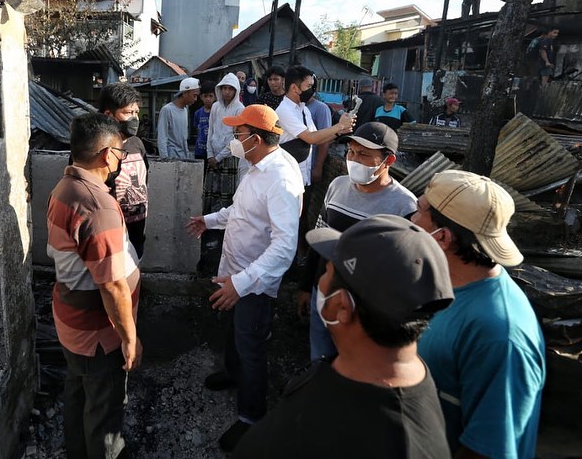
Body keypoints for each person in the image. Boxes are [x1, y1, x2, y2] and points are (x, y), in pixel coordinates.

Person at [233, 215, 454, 459]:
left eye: (327, 272)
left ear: (343, 306)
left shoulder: (369, 440)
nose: (320, 282)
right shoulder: (406, 382)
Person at [185, 105, 304, 453]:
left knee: (251, 346)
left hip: (253, 281)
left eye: (238, 133)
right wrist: (210, 220)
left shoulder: (280, 178)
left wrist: (241, 283)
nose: (234, 138)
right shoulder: (256, 166)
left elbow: (284, 247)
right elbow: (242, 212)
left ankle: (251, 418)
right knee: (234, 331)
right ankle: (233, 373)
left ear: (256, 138)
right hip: (236, 272)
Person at [411, 170, 546, 458]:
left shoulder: (501, 336)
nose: (412, 219)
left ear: (442, 237)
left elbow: (487, 449)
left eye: (419, 212)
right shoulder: (440, 281)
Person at [47, 113, 143, 459]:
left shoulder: (65, 187)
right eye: (120, 153)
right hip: (99, 333)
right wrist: (129, 338)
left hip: (74, 324)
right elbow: (113, 285)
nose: (120, 160)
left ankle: (77, 451)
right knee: (105, 411)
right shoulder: (97, 206)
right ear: (106, 155)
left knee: (79, 391)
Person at [298, 122, 417, 361]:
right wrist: (306, 286)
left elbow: (400, 269)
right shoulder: (337, 186)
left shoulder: (404, 205)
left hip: (363, 309)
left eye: (363, 154)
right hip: (323, 293)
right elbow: (320, 235)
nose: (353, 159)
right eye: (350, 151)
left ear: (388, 161)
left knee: (353, 365)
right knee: (319, 359)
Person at [275, 65, 355, 187]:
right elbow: (310, 138)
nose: (312, 90)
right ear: (294, 88)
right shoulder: (284, 110)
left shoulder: (303, 109)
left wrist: (339, 132)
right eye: (308, 86)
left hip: (302, 175)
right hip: (287, 176)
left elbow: (317, 139)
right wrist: (339, 126)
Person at [98, 83, 149, 259]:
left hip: (137, 232)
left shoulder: (137, 144)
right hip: (108, 235)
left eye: (136, 113)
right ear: (109, 115)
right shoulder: (94, 148)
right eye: (128, 113)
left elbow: (144, 180)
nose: (135, 118)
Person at [204, 73, 246, 213]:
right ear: (220, 89)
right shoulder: (215, 107)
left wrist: (218, 157)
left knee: (226, 194)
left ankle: (225, 223)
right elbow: (211, 130)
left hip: (229, 157)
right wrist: (210, 155)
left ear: (236, 90)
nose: (227, 92)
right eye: (224, 88)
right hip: (213, 157)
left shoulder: (240, 108)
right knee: (211, 193)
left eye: (230, 89)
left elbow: (236, 138)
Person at [157, 77, 200, 159]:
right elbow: (162, 136)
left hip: (183, 156)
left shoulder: (185, 110)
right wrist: (164, 158)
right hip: (171, 156)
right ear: (185, 93)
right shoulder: (167, 110)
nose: (195, 99)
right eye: (194, 95)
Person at [193, 82, 216, 160]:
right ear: (201, 97)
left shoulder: (217, 112)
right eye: (205, 96)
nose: (208, 99)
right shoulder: (198, 113)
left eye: (210, 96)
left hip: (214, 152)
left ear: (215, 97)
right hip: (199, 151)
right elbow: (197, 129)